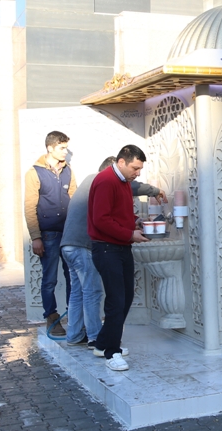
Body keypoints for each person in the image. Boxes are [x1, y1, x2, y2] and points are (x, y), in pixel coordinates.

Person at [61, 155, 165, 349]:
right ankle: (95, 338)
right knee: (92, 292)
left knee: (77, 292)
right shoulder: (102, 181)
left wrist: (135, 220)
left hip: (68, 245)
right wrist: (156, 191)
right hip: (83, 245)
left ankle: (74, 335)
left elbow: (114, 212)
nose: (129, 177)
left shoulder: (90, 181)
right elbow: (132, 189)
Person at [88, 145, 150, 371]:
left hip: (121, 247)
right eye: (135, 168)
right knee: (116, 300)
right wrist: (129, 234)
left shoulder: (122, 181)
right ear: (121, 162)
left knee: (126, 297)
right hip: (107, 248)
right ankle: (112, 352)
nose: (138, 173)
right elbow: (101, 219)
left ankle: (103, 343)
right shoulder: (106, 181)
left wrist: (136, 221)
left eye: (140, 169)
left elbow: (119, 213)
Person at [24, 130, 77, 336]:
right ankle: (52, 319)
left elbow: (75, 199)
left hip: (68, 233)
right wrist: (36, 237)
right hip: (48, 235)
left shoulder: (68, 170)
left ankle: (75, 317)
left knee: (73, 276)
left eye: (66, 148)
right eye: (62, 148)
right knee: (49, 280)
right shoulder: (34, 173)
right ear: (50, 148)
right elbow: (30, 207)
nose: (65, 152)